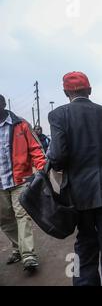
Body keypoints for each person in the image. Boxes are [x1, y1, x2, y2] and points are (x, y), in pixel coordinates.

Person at [47, 72, 102, 286]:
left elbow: (58, 157)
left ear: (65, 93)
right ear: (89, 90)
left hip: (78, 194)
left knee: (84, 244)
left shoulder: (58, 115)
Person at [0, 94, 45, 271]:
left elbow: (35, 148)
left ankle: (28, 255)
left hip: (20, 180)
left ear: (3, 104)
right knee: (4, 220)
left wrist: (42, 169)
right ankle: (18, 247)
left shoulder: (21, 124)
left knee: (23, 216)